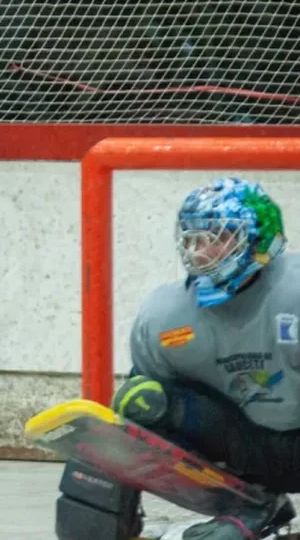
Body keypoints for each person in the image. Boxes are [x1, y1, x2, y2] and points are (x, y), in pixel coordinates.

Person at [58, 177, 299, 540]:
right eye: (194, 239)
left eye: (218, 238)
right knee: (139, 406)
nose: (200, 252)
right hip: (241, 445)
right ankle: (249, 507)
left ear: (259, 239)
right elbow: (134, 428)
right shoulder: (164, 316)